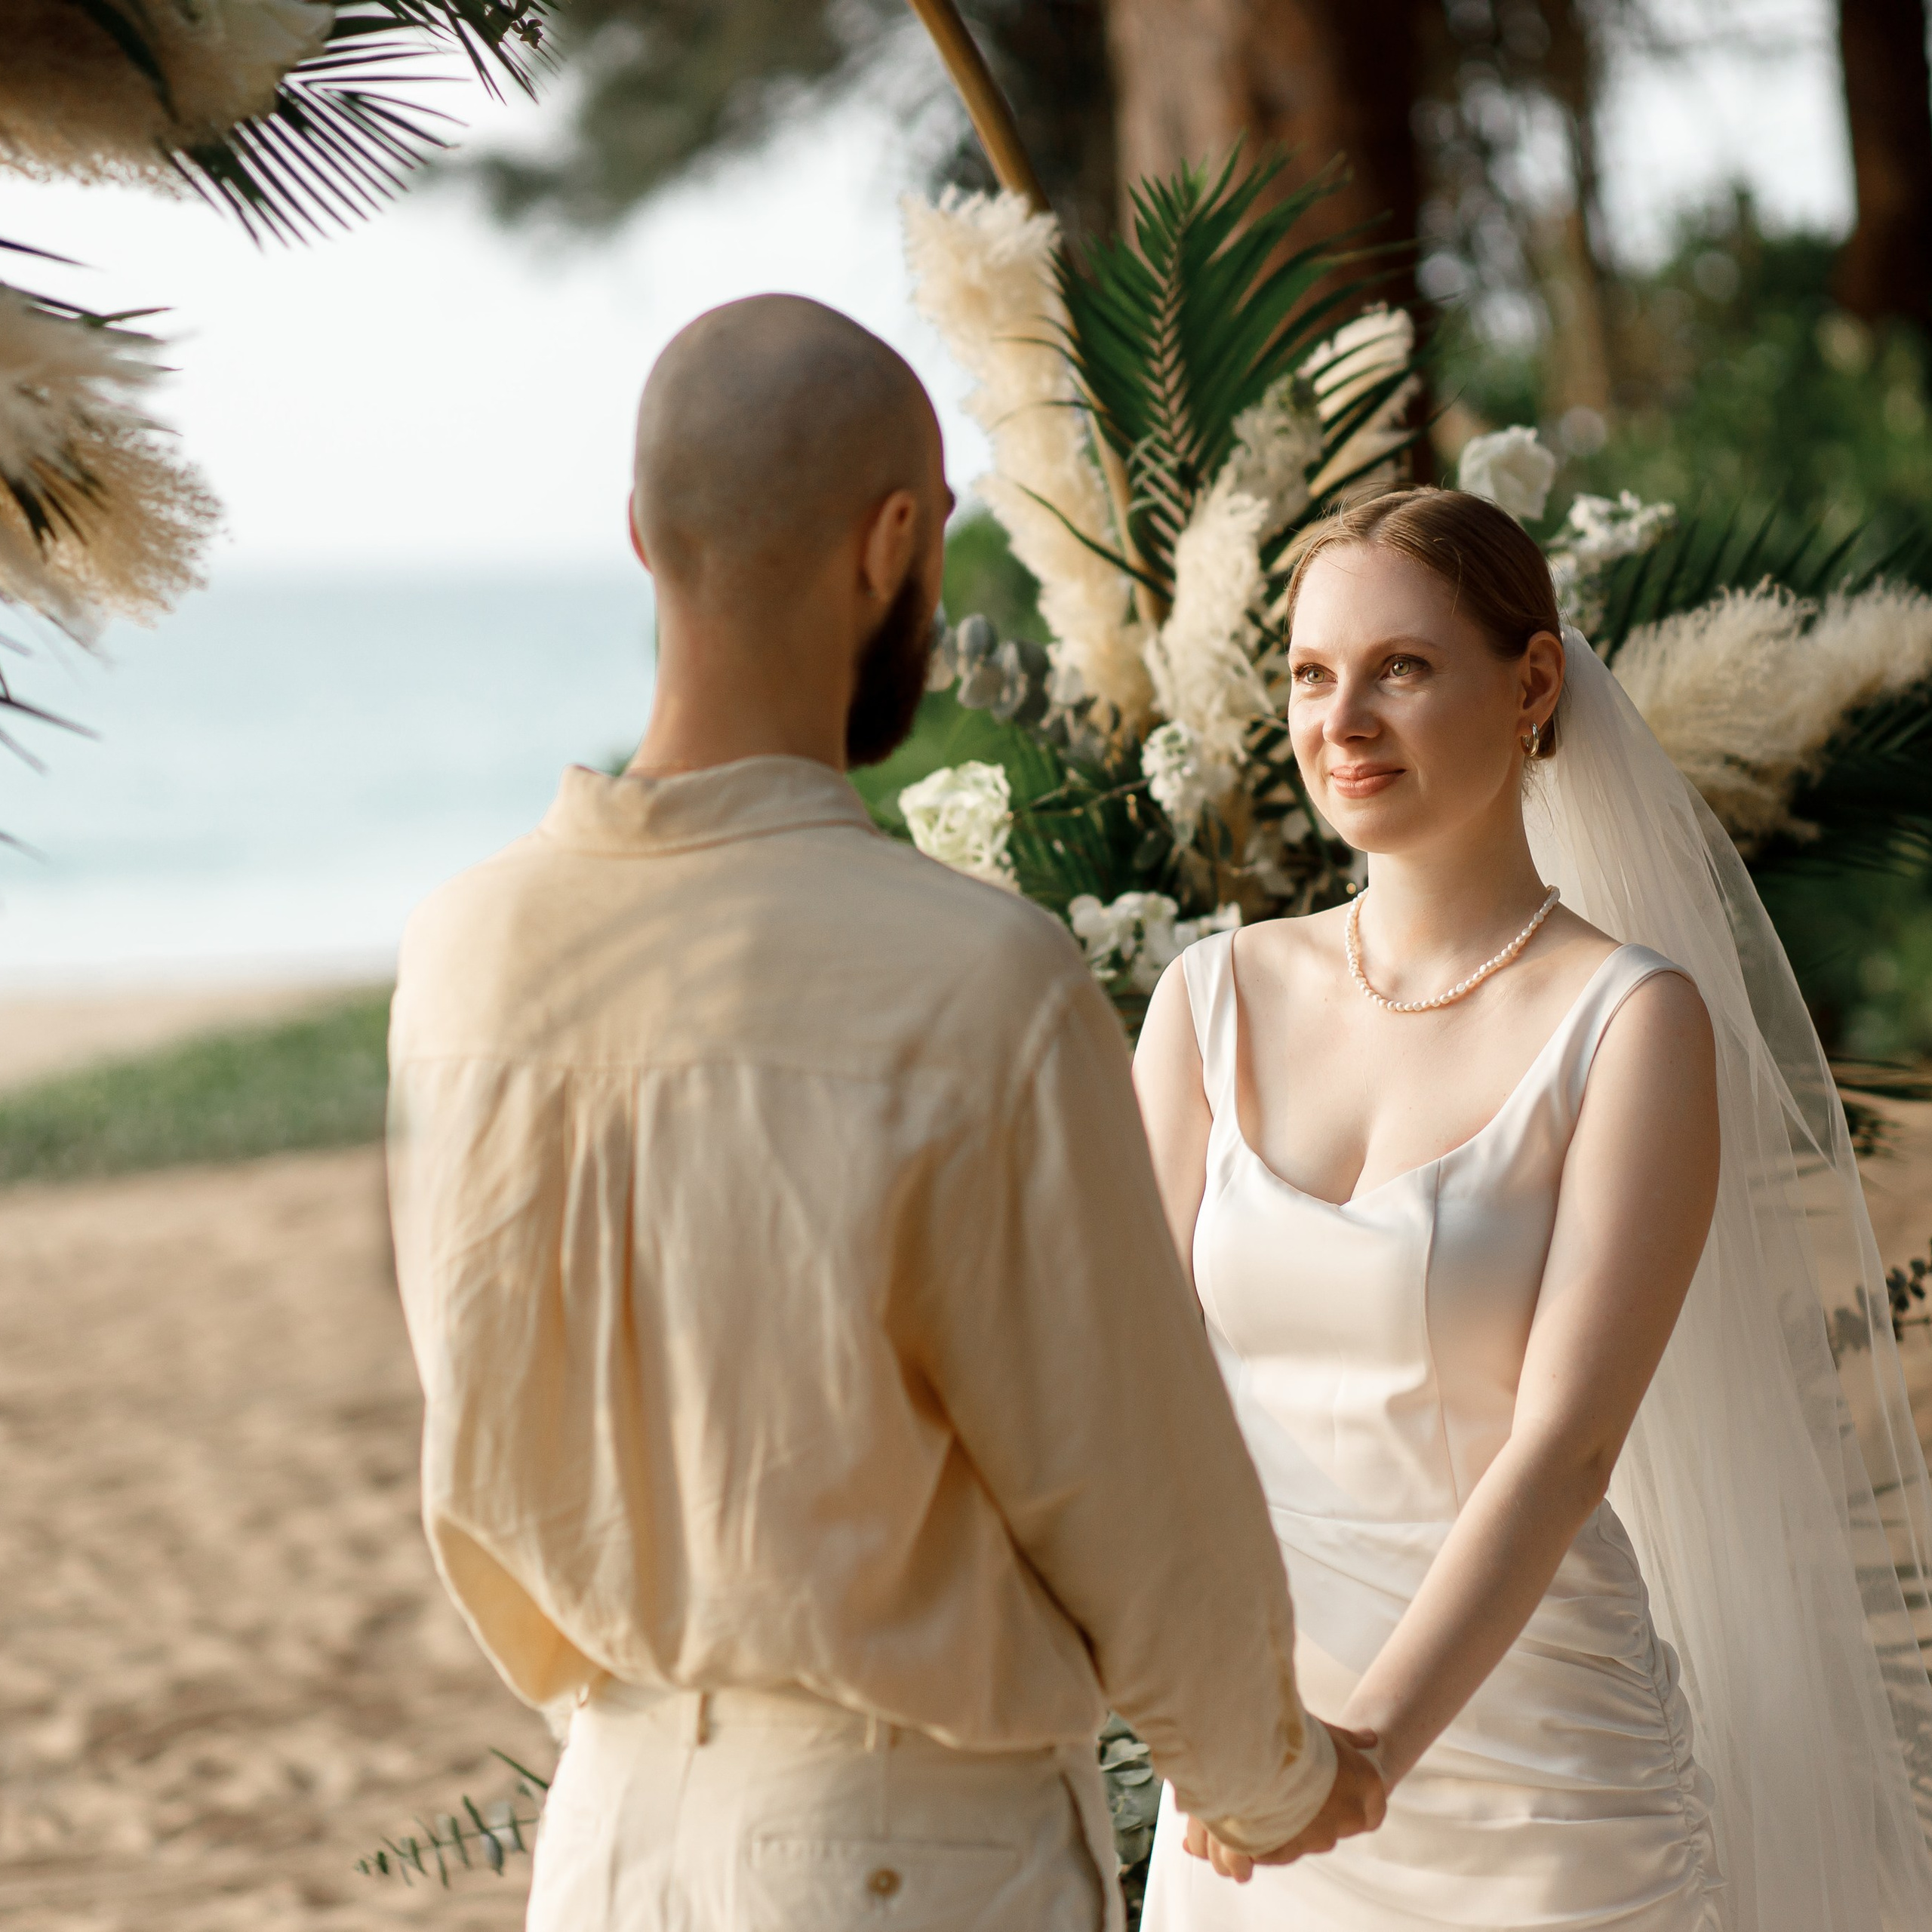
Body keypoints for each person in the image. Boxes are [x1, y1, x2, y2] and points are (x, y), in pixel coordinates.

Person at [385, 294, 1383, 1932]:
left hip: (609, 1824)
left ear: (642, 535)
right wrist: (1266, 1771)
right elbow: (1122, 1473)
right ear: (896, 542)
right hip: (897, 1839)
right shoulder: (968, 976)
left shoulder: (463, 952)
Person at [1133, 487, 1932, 1932]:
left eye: (1404, 667)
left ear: (1536, 684)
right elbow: (1126, 1389)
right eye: (1313, 674)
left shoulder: (1631, 1023)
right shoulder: (1207, 1003)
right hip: (1250, 1774)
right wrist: (1217, 1718)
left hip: (1533, 1790)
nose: (1344, 718)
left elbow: (1566, 1445)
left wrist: (1369, 1748)